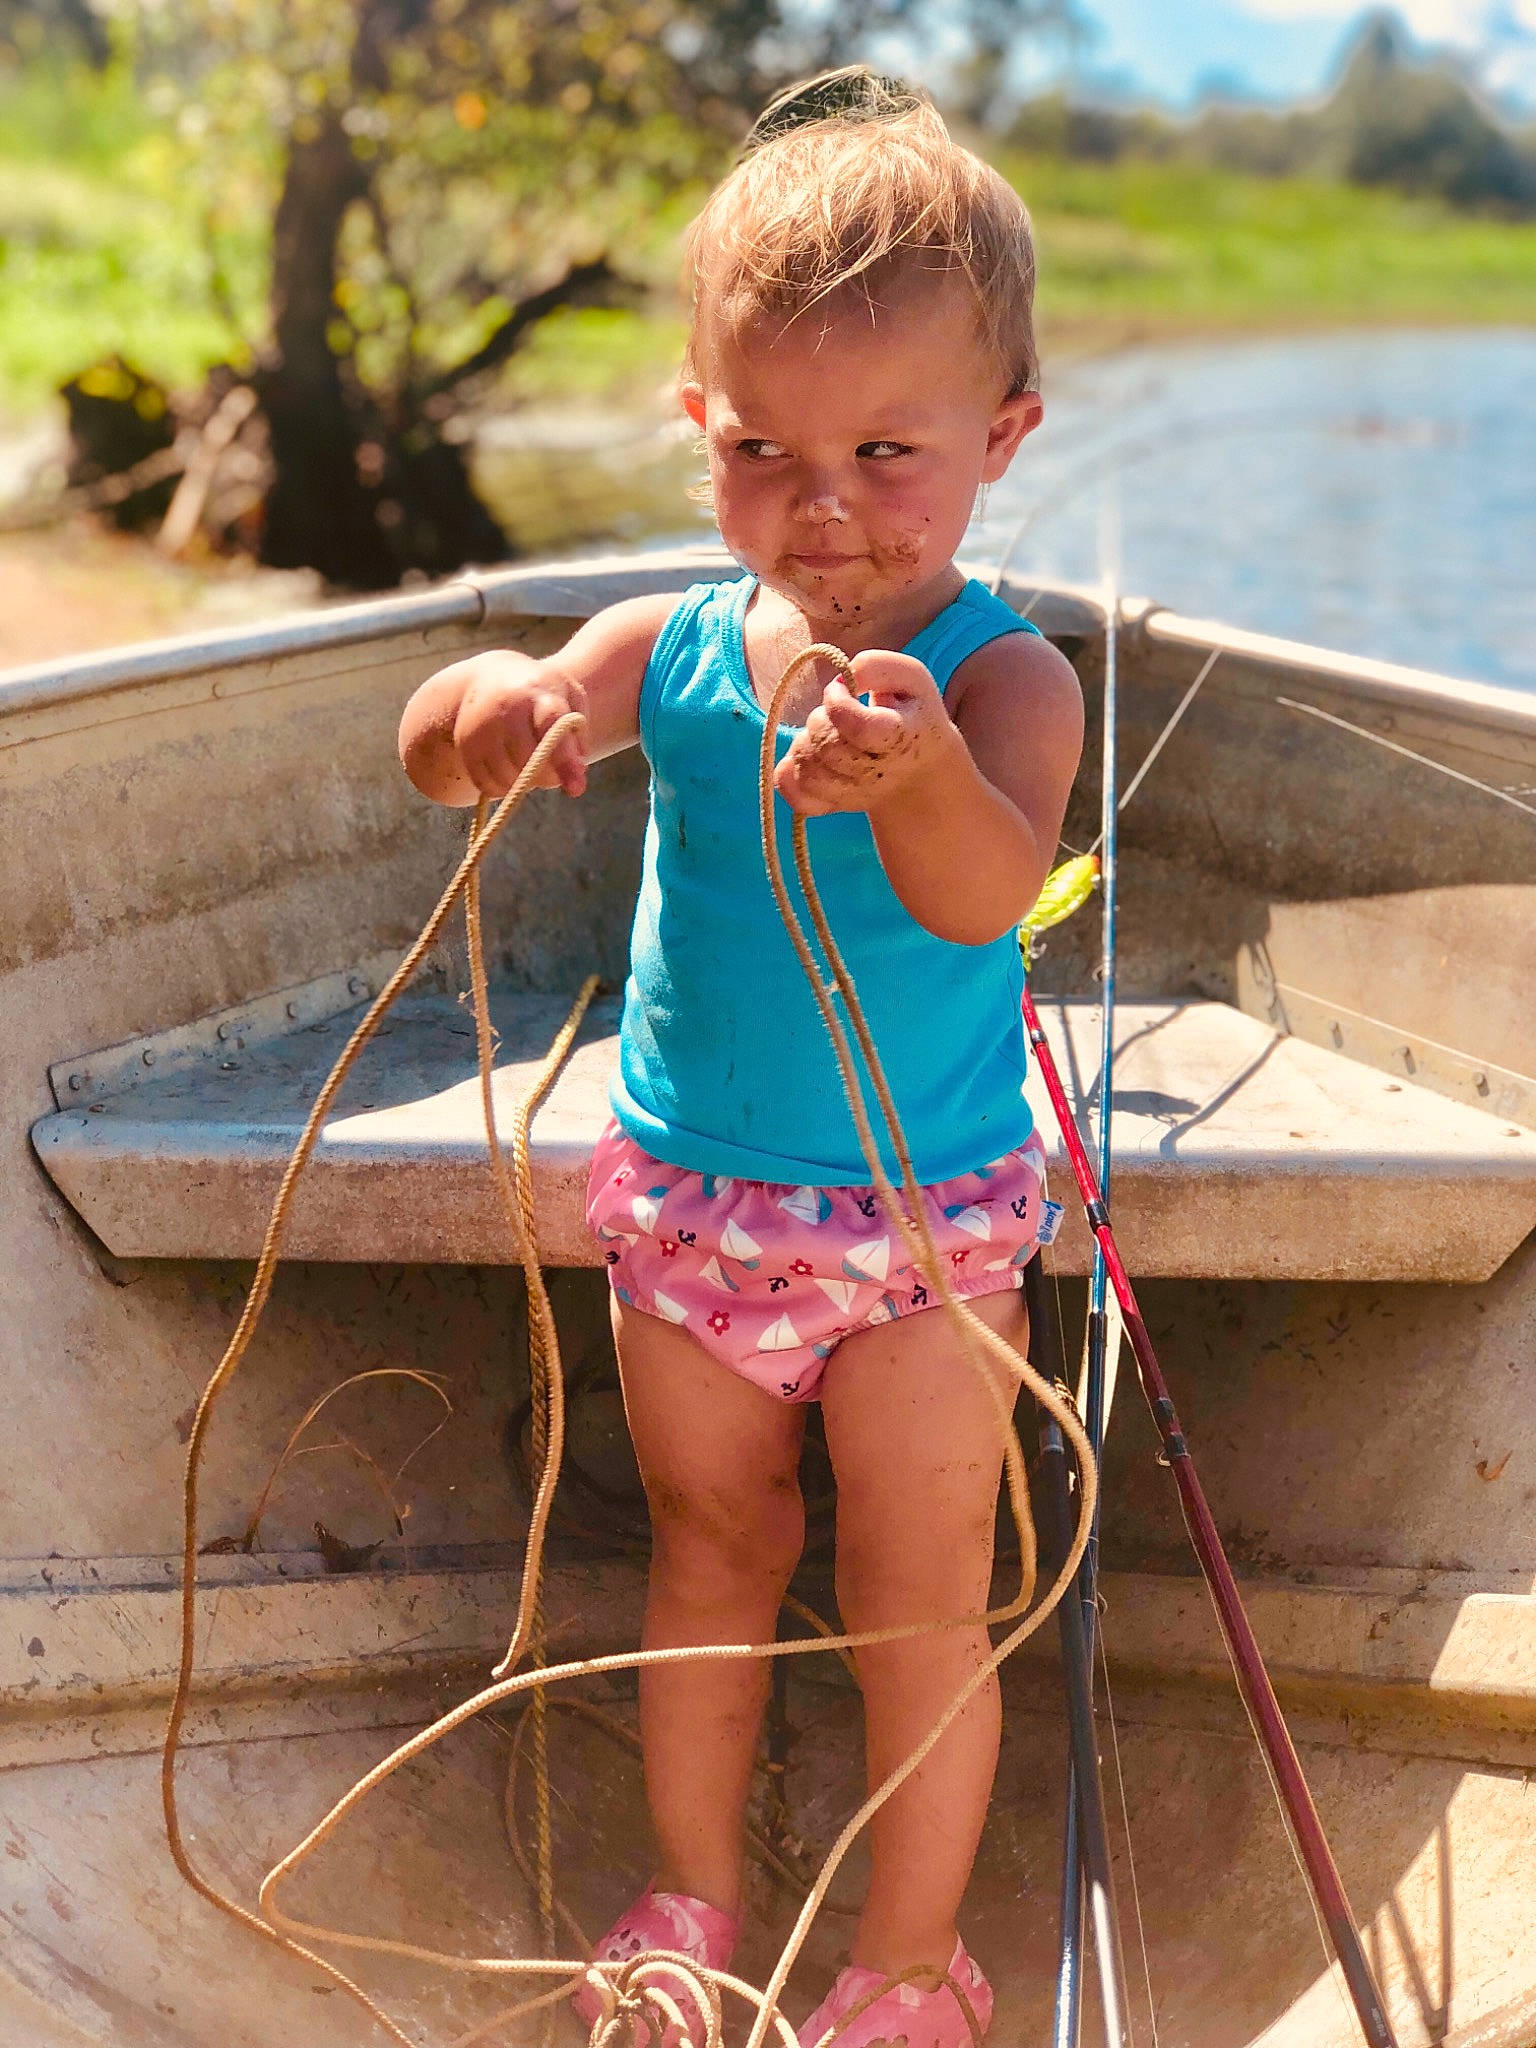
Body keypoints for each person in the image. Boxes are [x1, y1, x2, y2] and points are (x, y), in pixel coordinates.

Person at [398, 67, 1083, 2048]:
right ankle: (692, 1886)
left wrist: (923, 774)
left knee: (916, 1587)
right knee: (708, 1543)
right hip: (694, 1206)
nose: (827, 505)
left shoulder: (1001, 678)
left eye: (889, 450)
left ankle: (910, 1959)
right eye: (766, 447)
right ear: (700, 428)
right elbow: (451, 733)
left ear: (1000, 440)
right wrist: (490, 707)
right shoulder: (673, 648)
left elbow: (985, 895)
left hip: (925, 1232)